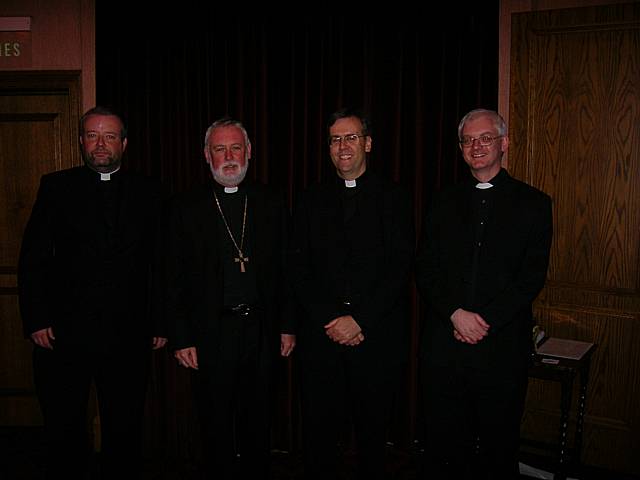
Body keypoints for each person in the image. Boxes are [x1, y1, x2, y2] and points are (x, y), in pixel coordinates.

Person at [17, 106, 168, 479]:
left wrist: (161, 321)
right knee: (64, 429)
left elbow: (163, 262)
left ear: (125, 143)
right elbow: (33, 258)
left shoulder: (150, 191)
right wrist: (37, 318)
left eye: (110, 136)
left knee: (125, 429)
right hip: (64, 336)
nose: (101, 145)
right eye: (93, 136)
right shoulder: (55, 187)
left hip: (128, 335)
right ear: (82, 141)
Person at [415, 108, 553, 479]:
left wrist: (484, 320)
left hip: (502, 348)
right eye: (468, 140)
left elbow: (530, 278)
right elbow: (426, 269)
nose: (477, 146)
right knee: (444, 444)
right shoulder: (442, 201)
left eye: (485, 138)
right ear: (461, 148)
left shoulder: (535, 204)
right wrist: (455, 314)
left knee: (498, 446)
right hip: (445, 346)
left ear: (503, 144)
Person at [288, 107, 414, 480]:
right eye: (335, 139)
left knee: (372, 438)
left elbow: (398, 269)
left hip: (374, 338)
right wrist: (332, 318)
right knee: (319, 438)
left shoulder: (395, 197)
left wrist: (358, 320)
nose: (343, 146)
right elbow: (298, 267)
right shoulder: (310, 199)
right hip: (321, 338)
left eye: (351, 137)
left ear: (368, 144)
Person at [167, 117, 295, 479]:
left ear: (249, 152)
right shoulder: (185, 207)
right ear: (206, 156)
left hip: (261, 330)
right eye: (219, 149)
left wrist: (287, 326)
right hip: (211, 332)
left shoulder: (271, 202)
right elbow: (172, 277)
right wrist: (182, 335)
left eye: (235, 147)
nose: (229, 156)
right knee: (214, 422)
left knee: (259, 420)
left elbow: (287, 269)